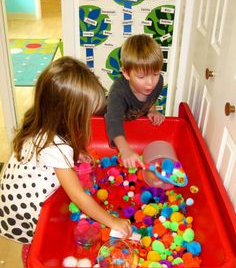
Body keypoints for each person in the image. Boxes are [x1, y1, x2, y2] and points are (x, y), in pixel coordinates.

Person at [0, 56, 132, 247]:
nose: (88, 120)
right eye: (86, 115)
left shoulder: (41, 121)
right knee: (36, 249)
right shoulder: (56, 148)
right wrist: (113, 221)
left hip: (10, 198)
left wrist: (75, 154)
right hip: (26, 214)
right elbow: (78, 196)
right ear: (68, 115)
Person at [105, 34, 165, 169]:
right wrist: (125, 149)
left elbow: (153, 97)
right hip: (110, 123)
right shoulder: (118, 92)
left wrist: (152, 110)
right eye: (141, 77)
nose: (150, 83)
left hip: (133, 125)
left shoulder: (159, 81)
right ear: (126, 73)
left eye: (155, 73)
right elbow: (113, 121)